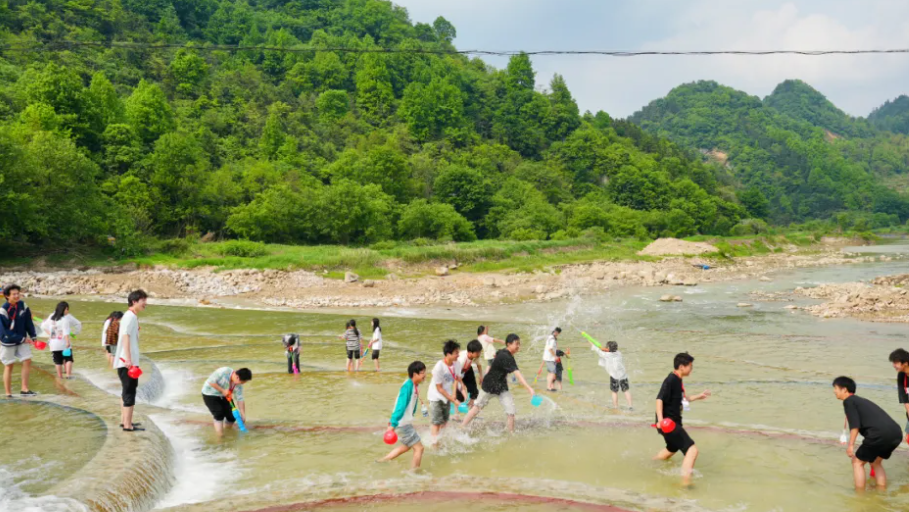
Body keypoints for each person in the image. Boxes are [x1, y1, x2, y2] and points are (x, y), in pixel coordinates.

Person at [833, 376, 902, 491]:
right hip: (895, 433)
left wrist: (851, 445)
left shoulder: (849, 401)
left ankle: (859, 495)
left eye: (835, 388)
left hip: (879, 434)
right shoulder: (860, 401)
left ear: (844, 389)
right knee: (876, 462)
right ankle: (881, 491)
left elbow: (855, 425)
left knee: (857, 462)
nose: (834, 391)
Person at [654, 352, 711, 486]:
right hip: (669, 424)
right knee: (692, 450)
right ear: (681, 367)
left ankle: (651, 464)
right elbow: (659, 399)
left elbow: (682, 399)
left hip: (672, 423)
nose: (691, 369)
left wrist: (699, 396)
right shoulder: (671, 379)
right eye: (690, 366)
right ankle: (685, 484)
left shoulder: (678, 380)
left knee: (672, 448)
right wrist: (661, 421)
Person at [462, 334, 535, 433]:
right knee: (477, 407)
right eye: (516, 344)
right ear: (509, 344)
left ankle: (510, 433)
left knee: (511, 411)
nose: (518, 346)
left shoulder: (504, 353)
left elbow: (497, 354)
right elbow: (518, 375)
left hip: (501, 387)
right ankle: (461, 427)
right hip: (489, 386)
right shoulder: (507, 357)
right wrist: (529, 388)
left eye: (519, 344)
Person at [379, 361, 426, 469]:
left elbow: (411, 405)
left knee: (407, 446)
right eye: (422, 373)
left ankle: (382, 461)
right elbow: (400, 406)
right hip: (402, 423)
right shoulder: (407, 386)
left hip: (405, 422)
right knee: (419, 448)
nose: (425, 375)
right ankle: (414, 474)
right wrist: (393, 424)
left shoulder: (414, 385)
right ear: (415, 374)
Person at [115, 289, 147, 432]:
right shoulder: (130, 317)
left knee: (126, 392)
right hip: (127, 362)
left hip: (126, 361)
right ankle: (128, 426)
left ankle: (125, 421)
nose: (145, 304)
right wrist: (129, 359)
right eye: (143, 301)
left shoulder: (130, 316)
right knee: (129, 393)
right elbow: (125, 336)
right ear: (134, 301)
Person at [0, 284, 38, 398]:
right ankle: (8, 393)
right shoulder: (3, 310)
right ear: (7, 296)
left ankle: (25, 389)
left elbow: (28, 321)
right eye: (14, 294)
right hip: (8, 342)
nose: (17, 296)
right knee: (9, 365)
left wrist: (33, 336)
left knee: (27, 360)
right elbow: (5, 331)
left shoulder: (23, 305)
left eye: (18, 293)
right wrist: (22, 338)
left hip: (22, 339)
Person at [201, 367, 253, 436]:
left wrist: (243, 414)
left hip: (226, 395)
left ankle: (227, 430)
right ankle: (220, 435)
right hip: (210, 393)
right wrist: (222, 390)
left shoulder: (238, 385)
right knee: (219, 414)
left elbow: (240, 399)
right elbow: (211, 382)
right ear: (237, 377)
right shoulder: (224, 371)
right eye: (243, 382)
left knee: (231, 416)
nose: (242, 384)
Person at [428, 340, 462, 439]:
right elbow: (439, 388)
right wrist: (453, 400)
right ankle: (435, 444)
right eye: (456, 353)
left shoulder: (457, 364)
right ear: (448, 354)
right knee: (436, 422)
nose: (458, 355)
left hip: (447, 395)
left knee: (445, 421)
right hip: (436, 397)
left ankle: (440, 439)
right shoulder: (439, 367)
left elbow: (456, 379)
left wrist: (455, 394)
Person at [41, 302, 82, 380]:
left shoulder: (51, 317)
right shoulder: (64, 319)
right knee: (68, 359)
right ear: (64, 309)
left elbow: (43, 326)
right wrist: (67, 342)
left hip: (53, 343)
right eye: (67, 309)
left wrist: (50, 334)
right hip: (63, 343)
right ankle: (68, 375)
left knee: (58, 361)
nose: (68, 311)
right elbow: (66, 332)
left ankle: (60, 377)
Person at [598, 341, 632, 409]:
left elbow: (599, 351)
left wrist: (590, 342)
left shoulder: (606, 355)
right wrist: (605, 349)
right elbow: (608, 351)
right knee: (626, 390)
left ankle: (616, 407)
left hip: (614, 376)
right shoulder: (619, 353)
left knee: (614, 392)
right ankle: (630, 406)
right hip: (623, 375)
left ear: (608, 348)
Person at [456, 339, 484, 410]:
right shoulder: (461, 359)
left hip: (467, 370)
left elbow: (479, 365)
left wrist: (481, 376)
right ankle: (456, 415)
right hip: (457, 373)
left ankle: (471, 411)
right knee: (459, 396)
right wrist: (462, 385)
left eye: (480, 352)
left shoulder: (475, 356)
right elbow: (457, 375)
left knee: (474, 392)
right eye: (478, 352)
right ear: (470, 352)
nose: (479, 354)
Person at [888, 348, 909, 435]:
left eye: (896, 363)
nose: (894, 365)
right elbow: (905, 399)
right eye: (893, 362)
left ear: (906, 363)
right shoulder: (901, 376)